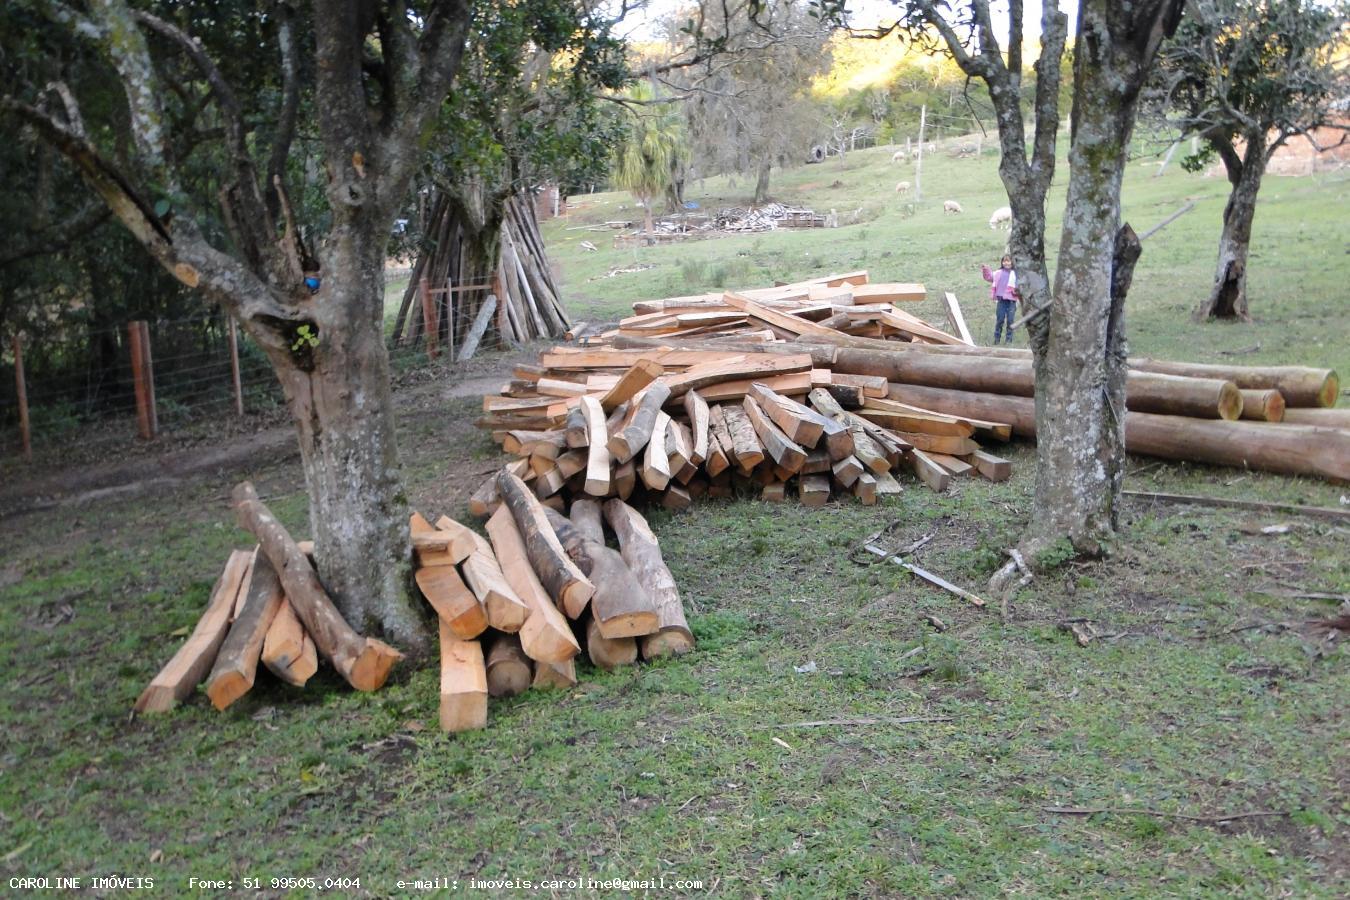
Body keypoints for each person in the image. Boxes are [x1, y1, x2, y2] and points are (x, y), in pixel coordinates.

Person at [981, 255, 1019, 344]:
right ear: (1002, 263)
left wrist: (1017, 291)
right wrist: (986, 269)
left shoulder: (1016, 274)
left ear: (1012, 262)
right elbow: (989, 277)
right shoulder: (998, 273)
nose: (1006, 263)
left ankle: (1008, 340)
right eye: (1004, 261)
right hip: (1001, 301)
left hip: (1011, 301)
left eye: (1008, 261)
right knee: (1000, 320)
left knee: (1010, 320)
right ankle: (996, 339)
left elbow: (1020, 285)